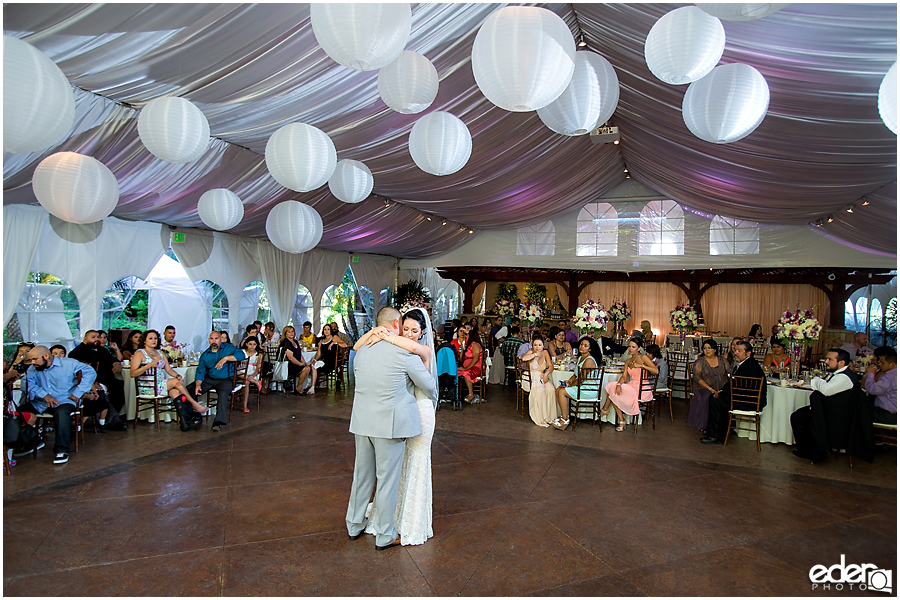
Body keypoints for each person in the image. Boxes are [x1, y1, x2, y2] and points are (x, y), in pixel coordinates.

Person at [346, 307, 437, 550]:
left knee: (361, 476)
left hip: (362, 422)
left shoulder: (363, 350)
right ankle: (385, 536)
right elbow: (429, 386)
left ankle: (354, 524)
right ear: (396, 324)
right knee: (387, 481)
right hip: (390, 426)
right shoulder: (404, 354)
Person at [20, 345, 96, 464]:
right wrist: (44, 394)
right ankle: (33, 441)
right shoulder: (33, 368)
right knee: (18, 413)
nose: (32, 362)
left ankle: (62, 450)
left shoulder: (68, 363)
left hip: (64, 400)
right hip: (41, 402)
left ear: (46, 356)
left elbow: (90, 372)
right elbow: (28, 385)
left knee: (61, 413)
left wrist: (78, 392)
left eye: (35, 359)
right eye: (31, 360)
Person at [790, 348, 859, 461]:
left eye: (829, 359)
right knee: (798, 416)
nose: (826, 362)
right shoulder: (837, 374)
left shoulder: (844, 377)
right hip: (827, 409)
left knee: (799, 417)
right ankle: (806, 449)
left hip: (836, 415)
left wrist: (816, 379)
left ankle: (814, 450)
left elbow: (826, 390)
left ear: (841, 362)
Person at [702, 340, 766, 444]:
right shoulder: (744, 363)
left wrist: (721, 393)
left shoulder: (749, 367)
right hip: (742, 398)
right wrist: (721, 391)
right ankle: (715, 430)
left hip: (749, 402)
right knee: (714, 397)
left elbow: (737, 387)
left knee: (716, 401)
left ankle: (716, 436)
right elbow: (732, 383)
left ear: (748, 353)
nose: (735, 352)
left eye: (739, 351)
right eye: (735, 350)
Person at [131, 329, 207, 416]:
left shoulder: (160, 352)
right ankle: (194, 404)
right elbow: (132, 373)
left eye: (155, 338)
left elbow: (168, 369)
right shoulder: (140, 353)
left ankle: (186, 420)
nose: (153, 340)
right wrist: (148, 365)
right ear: (144, 340)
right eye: (150, 338)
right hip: (148, 386)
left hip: (160, 383)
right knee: (175, 382)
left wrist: (177, 375)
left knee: (176, 391)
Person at [67, 330, 129, 431]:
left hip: (106, 379)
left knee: (120, 386)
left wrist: (116, 364)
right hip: (89, 382)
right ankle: (112, 421)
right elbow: (77, 372)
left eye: (98, 337)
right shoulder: (77, 353)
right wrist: (92, 381)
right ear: (85, 339)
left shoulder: (102, 350)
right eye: (93, 337)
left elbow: (112, 359)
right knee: (101, 393)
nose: (97, 339)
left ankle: (115, 416)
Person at [189, 331, 247, 432]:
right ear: (209, 340)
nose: (214, 341)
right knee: (190, 390)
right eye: (212, 339)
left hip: (226, 378)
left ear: (220, 339)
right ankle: (193, 416)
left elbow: (242, 355)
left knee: (223, 393)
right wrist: (198, 384)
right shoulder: (205, 354)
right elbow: (200, 371)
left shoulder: (228, 348)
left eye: (216, 338)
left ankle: (218, 421)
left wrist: (225, 358)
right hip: (210, 378)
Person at [602, 337, 659, 432]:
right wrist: (619, 384)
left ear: (639, 348)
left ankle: (606, 409)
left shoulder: (643, 357)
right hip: (632, 384)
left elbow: (656, 371)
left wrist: (641, 366)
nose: (630, 349)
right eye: (629, 347)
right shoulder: (628, 361)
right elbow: (624, 376)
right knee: (613, 388)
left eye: (633, 347)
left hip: (642, 387)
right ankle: (621, 419)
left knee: (613, 392)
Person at [554, 337, 604, 431]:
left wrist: (570, 385)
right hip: (581, 386)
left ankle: (565, 419)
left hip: (588, 389)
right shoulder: (581, 357)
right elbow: (576, 374)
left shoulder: (589, 360)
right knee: (558, 389)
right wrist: (568, 381)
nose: (582, 347)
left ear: (590, 349)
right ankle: (564, 416)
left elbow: (581, 379)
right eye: (581, 344)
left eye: (585, 346)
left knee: (561, 392)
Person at [686, 339, 730, 433]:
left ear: (715, 349)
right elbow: (697, 378)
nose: (707, 350)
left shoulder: (722, 360)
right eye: (705, 348)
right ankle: (705, 425)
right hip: (704, 388)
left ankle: (723, 425)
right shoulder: (700, 362)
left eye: (709, 348)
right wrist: (711, 389)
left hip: (721, 388)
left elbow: (730, 373)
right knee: (707, 396)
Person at [521, 335, 556, 427]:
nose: (537, 347)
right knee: (540, 391)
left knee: (551, 389)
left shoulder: (545, 353)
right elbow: (523, 358)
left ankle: (549, 416)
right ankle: (541, 416)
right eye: (535, 345)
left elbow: (551, 366)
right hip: (531, 376)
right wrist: (535, 354)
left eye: (539, 345)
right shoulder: (531, 352)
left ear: (543, 345)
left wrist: (546, 374)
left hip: (541, 375)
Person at [865, 346, 897, 424]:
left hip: (888, 414)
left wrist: (870, 374)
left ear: (892, 364)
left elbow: (872, 390)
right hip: (892, 413)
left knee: (859, 414)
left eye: (883, 363)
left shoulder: (889, 377)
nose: (880, 364)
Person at [279, 326, 313, 395]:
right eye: (289, 332)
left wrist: (303, 362)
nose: (291, 333)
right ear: (285, 334)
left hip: (295, 363)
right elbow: (291, 357)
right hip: (289, 365)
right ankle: (299, 388)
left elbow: (299, 354)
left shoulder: (295, 342)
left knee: (308, 367)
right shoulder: (286, 343)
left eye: (292, 331)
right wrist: (300, 364)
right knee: (305, 369)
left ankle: (299, 386)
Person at [457, 327, 483, 402]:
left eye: (467, 336)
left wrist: (466, 368)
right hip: (467, 366)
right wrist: (462, 350)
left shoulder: (475, 345)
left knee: (466, 373)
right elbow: (461, 359)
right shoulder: (468, 346)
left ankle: (471, 394)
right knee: (455, 371)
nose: (466, 338)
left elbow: (475, 359)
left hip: (476, 368)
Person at [238, 337, 263, 413]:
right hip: (242, 371)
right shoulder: (241, 352)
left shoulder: (258, 354)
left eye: (254, 344)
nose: (252, 346)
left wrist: (253, 375)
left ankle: (244, 405)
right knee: (238, 373)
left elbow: (259, 368)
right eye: (250, 344)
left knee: (246, 382)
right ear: (246, 344)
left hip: (252, 371)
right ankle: (256, 382)